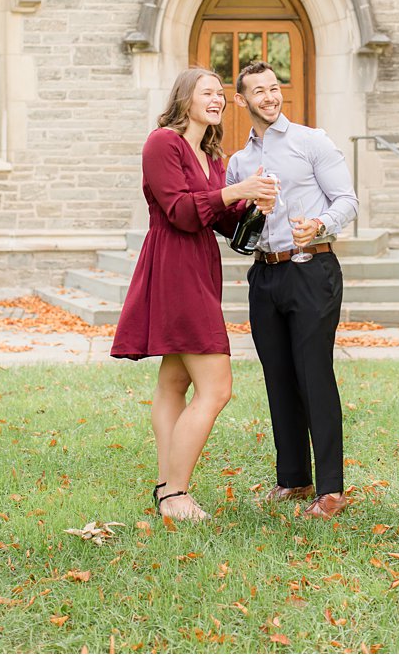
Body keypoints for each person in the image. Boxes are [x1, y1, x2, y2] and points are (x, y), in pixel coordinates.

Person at [112, 67, 279, 521]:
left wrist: (252, 206)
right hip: (173, 267)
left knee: (174, 381)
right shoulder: (162, 142)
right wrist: (234, 191)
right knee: (217, 387)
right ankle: (176, 495)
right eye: (207, 92)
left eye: (220, 94)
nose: (217, 99)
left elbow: (222, 223)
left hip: (200, 267)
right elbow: (182, 212)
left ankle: (166, 487)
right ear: (184, 98)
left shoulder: (211, 154)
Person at [225, 60, 359, 519]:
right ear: (241, 100)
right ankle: (294, 479)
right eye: (258, 91)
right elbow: (237, 234)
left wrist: (321, 223)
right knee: (278, 376)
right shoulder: (238, 164)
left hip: (312, 269)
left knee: (313, 374)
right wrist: (250, 212)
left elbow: (347, 200)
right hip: (265, 276)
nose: (269, 96)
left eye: (273, 87)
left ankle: (332, 490)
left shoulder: (311, 141)